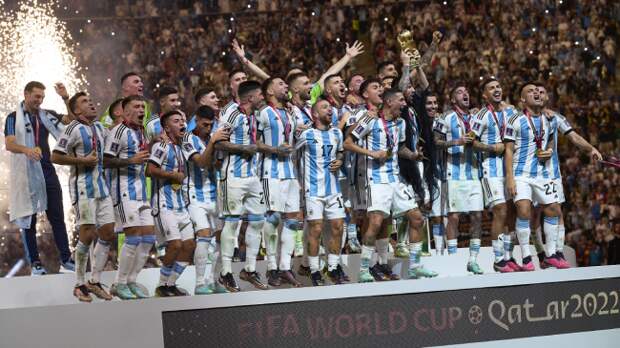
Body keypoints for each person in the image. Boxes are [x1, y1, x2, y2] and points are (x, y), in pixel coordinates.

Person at [346, 89, 437, 282]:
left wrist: (413, 155)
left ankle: (415, 266)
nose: (404, 103)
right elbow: (347, 143)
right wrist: (372, 154)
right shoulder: (369, 121)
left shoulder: (400, 123)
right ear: (388, 102)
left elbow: (400, 148)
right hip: (376, 180)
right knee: (376, 223)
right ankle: (363, 269)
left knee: (417, 218)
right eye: (401, 100)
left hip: (395, 179)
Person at [4, 81, 74, 275]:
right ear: (26, 94)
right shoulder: (12, 118)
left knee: (57, 217)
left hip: (47, 171)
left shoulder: (47, 115)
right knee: (29, 219)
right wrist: (27, 150)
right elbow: (10, 144)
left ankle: (67, 259)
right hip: (26, 174)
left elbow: (71, 120)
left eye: (42, 97)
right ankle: (35, 263)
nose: (39, 101)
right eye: (36, 96)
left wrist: (66, 98)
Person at [530, 84, 603, 268]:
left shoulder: (556, 118)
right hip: (529, 174)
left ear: (548, 97)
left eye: (542, 91)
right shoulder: (522, 116)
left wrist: (591, 149)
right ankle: (541, 253)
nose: (538, 93)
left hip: (551, 174)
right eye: (535, 91)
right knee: (533, 214)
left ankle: (558, 252)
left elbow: (574, 137)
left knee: (557, 211)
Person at [51, 92, 115, 302]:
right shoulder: (72, 129)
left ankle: (94, 281)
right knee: (87, 233)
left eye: (91, 100)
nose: (92, 103)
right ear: (77, 110)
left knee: (107, 231)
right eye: (86, 102)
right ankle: (79, 284)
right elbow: (55, 155)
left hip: (102, 187)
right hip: (83, 188)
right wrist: (82, 161)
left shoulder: (98, 128)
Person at [214, 81, 267, 292]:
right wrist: (242, 148)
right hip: (233, 176)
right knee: (232, 223)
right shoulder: (231, 114)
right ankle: (226, 272)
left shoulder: (253, 116)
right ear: (250, 98)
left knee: (258, 220)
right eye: (260, 94)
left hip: (252, 175)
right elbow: (217, 142)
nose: (263, 97)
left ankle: (250, 268)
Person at [504, 83, 560, 271]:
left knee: (553, 209)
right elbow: (509, 150)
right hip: (521, 174)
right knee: (524, 210)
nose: (536, 92)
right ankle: (527, 257)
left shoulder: (550, 119)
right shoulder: (515, 120)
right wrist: (510, 178)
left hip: (542, 174)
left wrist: (550, 150)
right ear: (522, 100)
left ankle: (551, 254)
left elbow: (551, 139)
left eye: (538, 91)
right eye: (530, 91)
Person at [103, 95, 154, 299]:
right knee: (133, 236)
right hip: (123, 191)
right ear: (125, 111)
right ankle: (119, 282)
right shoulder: (118, 131)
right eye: (136, 106)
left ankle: (132, 280)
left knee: (149, 237)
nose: (141, 109)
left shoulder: (141, 132)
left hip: (141, 192)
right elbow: (106, 161)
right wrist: (131, 160)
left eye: (143, 106)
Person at [434, 84, 485, 275]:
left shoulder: (476, 117)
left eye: (467, 91)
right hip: (453, 173)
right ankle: (454, 260)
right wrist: (457, 141)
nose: (465, 93)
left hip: (473, 173)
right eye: (459, 92)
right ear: (453, 99)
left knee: (477, 215)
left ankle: (473, 260)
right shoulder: (445, 117)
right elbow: (435, 142)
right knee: (453, 217)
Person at [257, 77, 303, 287]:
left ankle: (285, 266)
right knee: (273, 218)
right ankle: (271, 267)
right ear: (269, 91)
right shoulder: (263, 113)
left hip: (290, 172)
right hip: (270, 171)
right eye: (281, 84)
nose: (286, 87)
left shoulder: (292, 112)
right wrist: (275, 150)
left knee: (292, 220)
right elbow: (253, 142)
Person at [471, 78, 520, 272]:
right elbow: (471, 142)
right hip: (490, 169)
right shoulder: (482, 115)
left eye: (498, 86)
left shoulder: (511, 112)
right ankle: (498, 259)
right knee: (500, 209)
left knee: (512, 212)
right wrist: (492, 147)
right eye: (491, 88)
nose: (496, 89)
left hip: (510, 169)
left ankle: (509, 257)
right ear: (485, 95)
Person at [296, 98, 346, 285]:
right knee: (315, 229)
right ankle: (314, 269)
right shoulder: (306, 135)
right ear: (315, 114)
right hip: (313, 190)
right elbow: (292, 153)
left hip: (333, 188)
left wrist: (340, 160)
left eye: (331, 107)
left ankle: (333, 267)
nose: (330, 110)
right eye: (325, 107)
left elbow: (340, 151)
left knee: (338, 227)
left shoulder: (337, 133)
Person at [182, 106, 230, 294]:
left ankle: (213, 279)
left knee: (221, 237)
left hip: (214, 194)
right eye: (204, 125)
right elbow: (201, 162)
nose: (208, 129)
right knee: (203, 235)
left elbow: (216, 164)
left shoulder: (212, 138)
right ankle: (200, 283)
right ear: (196, 120)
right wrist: (213, 142)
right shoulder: (188, 138)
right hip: (195, 195)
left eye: (211, 125)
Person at [147, 110, 193, 297]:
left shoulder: (182, 147)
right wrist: (172, 175)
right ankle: (161, 285)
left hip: (180, 204)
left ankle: (171, 284)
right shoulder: (162, 146)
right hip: (164, 204)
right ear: (167, 127)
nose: (182, 123)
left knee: (190, 245)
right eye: (176, 121)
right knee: (175, 245)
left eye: (183, 120)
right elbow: (149, 170)